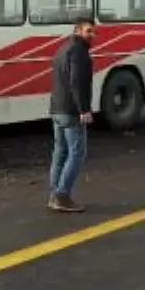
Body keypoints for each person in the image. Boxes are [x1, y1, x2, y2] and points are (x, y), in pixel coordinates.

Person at [47, 19, 96, 212]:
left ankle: (54, 194)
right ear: (77, 31)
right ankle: (62, 195)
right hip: (71, 111)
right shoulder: (79, 52)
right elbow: (77, 82)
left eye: (94, 32)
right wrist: (84, 109)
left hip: (56, 108)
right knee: (77, 153)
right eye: (88, 31)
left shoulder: (63, 48)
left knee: (60, 152)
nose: (92, 35)